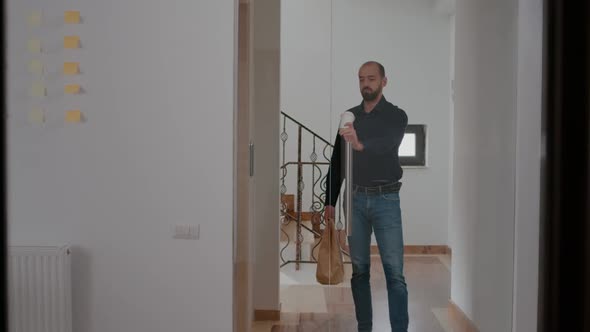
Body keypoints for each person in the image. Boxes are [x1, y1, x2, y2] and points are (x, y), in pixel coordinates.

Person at [324, 61, 409, 332]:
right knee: (359, 271)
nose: (365, 84)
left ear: (384, 81)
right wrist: (330, 199)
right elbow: (338, 161)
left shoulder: (396, 116)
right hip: (355, 201)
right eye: (361, 79)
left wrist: (361, 144)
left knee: (394, 273)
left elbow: (388, 144)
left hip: (387, 200)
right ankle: (365, 328)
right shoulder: (349, 117)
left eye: (371, 78)